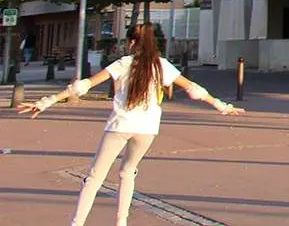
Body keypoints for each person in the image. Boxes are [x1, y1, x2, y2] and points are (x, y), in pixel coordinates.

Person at [18, 23, 244, 226]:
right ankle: (121, 221)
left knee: (95, 178)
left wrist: (45, 102)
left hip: (120, 125)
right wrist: (222, 106)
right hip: (146, 129)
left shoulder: (123, 63)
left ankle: (78, 223)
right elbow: (195, 90)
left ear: (132, 42)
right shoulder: (162, 66)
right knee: (128, 172)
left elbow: (82, 86)